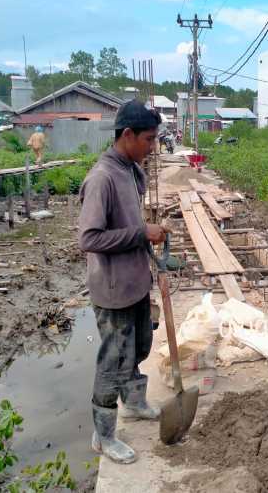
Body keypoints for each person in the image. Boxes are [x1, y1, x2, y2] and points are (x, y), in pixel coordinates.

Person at [78, 100, 167, 464]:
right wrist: (139, 233)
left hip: (135, 281)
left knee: (140, 346)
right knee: (113, 361)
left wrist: (147, 237)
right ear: (127, 135)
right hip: (112, 288)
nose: (152, 147)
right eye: (148, 139)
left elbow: (131, 221)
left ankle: (133, 403)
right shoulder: (102, 178)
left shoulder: (129, 169)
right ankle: (104, 435)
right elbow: (89, 238)